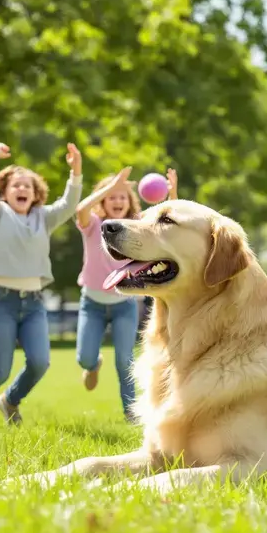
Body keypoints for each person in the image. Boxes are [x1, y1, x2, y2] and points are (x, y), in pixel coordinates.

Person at [0, 141, 83, 426]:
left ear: (36, 193)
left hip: (34, 303)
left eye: (28, 185)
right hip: (1, 301)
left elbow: (69, 204)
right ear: (4, 192)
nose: (22, 189)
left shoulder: (44, 218)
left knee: (40, 362)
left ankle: (11, 400)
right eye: (16, 185)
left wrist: (76, 171)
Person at [73, 167, 176, 422]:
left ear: (130, 201)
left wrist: (172, 193)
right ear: (103, 201)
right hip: (92, 304)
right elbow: (81, 210)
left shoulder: (136, 225)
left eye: (122, 196)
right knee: (84, 358)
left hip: (125, 304)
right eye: (111, 197)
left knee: (124, 360)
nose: (117, 201)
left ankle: (131, 413)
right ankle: (93, 365)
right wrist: (113, 184)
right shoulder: (93, 225)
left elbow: (170, 225)